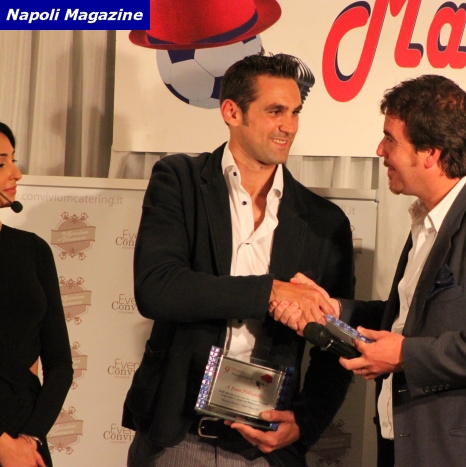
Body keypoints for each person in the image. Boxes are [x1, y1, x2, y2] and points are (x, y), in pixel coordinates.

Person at [272, 75, 466, 467]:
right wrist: (334, 311)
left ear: (430, 153)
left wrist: (405, 355)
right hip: (407, 447)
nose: (380, 150)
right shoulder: (431, 218)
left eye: (391, 139)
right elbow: (411, 319)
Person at [121, 54, 355, 467]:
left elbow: (337, 343)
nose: (289, 126)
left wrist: (305, 422)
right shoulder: (179, 180)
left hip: (263, 447)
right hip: (177, 439)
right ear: (232, 112)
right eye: (275, 111)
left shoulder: (324, 221)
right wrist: (270, 292)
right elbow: (158, 288)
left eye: (295, 112)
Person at [0, 122, 73, 467]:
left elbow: (60, 364)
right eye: (1, 163)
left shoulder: (33, 250)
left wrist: (29, 440)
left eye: (13, 160)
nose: (16, 173)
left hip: (26, 441)